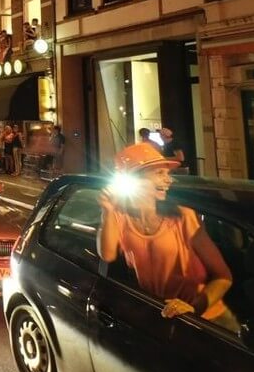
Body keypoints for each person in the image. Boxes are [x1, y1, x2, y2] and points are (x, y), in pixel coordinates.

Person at [97, 142, 237, 332]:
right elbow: (107, 255)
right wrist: (107, 211)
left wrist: (193, 309)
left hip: (209, 320)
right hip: (163, 315)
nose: (169, 180)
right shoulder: (119, 215)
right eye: (159, 174)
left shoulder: (183, 216)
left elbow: (224, 277)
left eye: (168, 174)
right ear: (134, 179)